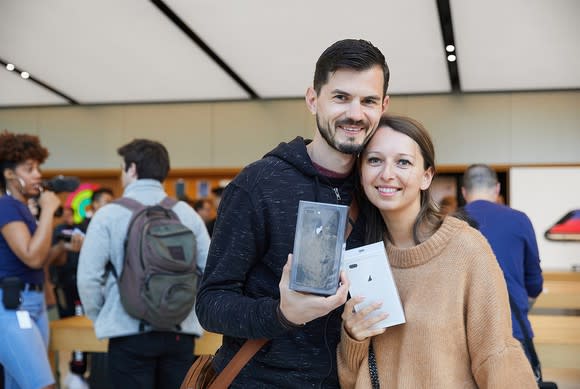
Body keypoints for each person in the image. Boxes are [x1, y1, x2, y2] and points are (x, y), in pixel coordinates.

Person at [196, 38, 390, 388]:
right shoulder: (259, 183)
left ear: (383, 106)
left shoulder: (377, 188)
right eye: (341, 97)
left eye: (369, 101)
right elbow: (210, 303)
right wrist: (281, 314)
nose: (356, 114)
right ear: (313, 99)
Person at [337, 115, 536, 388]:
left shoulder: (466, 248)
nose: (386, 173)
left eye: (403, 162)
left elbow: (497, 357)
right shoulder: (360, 256)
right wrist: (353, 337)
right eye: (374, 160)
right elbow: (351, 380)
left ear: (426, 176)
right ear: (361, 173)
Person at [77, 139, 210, 389]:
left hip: (128, 331)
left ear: (132, 169)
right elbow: (210, 270)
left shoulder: (108, 215)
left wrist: (104, 317)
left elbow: (88, 278)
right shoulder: (187, 214)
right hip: (180, 331)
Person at [0, 130, 69, 389]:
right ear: (9, 174)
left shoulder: (23, 209)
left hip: (34, 303)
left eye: (38, 167)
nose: (38, 174)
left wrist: (62, 246)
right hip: (13, 307)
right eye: (29, 169)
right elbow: (31, 257)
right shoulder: (6, 206)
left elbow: (40, 261)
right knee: (43, 384)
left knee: (20, 384)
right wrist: (50, 210)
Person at [461, 164, 543, 359]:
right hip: (512, 329)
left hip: (464, 333)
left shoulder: (449, 223)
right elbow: (534, 284)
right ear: (497, 189)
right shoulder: (519, 220)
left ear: (464, 191)